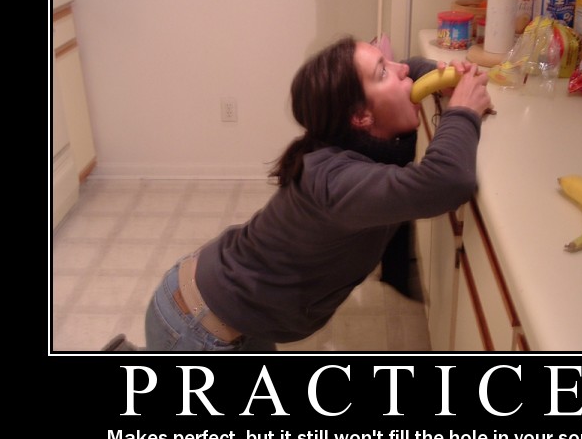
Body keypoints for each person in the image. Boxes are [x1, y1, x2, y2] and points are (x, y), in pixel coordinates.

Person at [103, 35, 494, 352]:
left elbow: (412, 64)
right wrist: (463, 112)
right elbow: (447, 181)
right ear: (361, 116)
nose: (403, 68)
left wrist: (444, 73)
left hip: (222, 308)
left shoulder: (348, 147)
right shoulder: (339, 182)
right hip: (199, 327)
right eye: (384, 71)